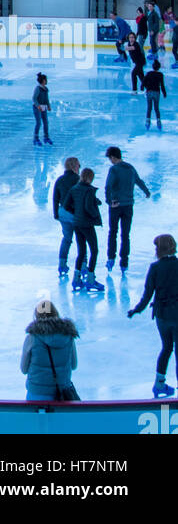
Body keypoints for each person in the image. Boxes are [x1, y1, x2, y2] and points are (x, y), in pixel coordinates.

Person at [128, 233, 178, 398]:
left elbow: (148, 294)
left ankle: (159, 383)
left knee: (166, 348)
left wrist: (137, 309)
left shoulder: (155, 268)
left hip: (162, 316)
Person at [19, 300, 80, 402]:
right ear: (56, 313)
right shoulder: (69, 335)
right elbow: (74, 365)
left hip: (37, 393)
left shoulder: (31, 338)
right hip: (62, 392)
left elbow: (24, 369)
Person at [104, 145, 151, 271]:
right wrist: (146, 192)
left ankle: (111, 258)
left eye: (110, 158)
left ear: (113, 157)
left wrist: (109, 201)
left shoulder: (114, 169)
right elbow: (139, 181)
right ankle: (124, 261)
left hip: (116, 205)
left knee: (113, 232)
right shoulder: (130, 168)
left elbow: (108, 186)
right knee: (125, 234)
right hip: (128, 206)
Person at [62, 166, 104, 292]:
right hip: (87, 224)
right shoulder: (89, 190)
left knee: (81, 252)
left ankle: (76, 279)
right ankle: (90, 279)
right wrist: (95, 215)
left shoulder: (74, 188)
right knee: (94, 250)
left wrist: (76, 212)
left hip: (76, 223)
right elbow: (88, 206)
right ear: (90, 178)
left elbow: (65, 205)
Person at [52, 156, 81, 276]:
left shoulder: (60, 180)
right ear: (74, 166)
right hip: (76, 214)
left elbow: (55, 197)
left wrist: (56, 213)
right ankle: (83, 266)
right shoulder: (79, 179)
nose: (79, 168)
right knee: (81, 240)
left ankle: (62, 264)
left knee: (66, 239)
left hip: (63, 213)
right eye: (79, 166)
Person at [143, 60, 167, 131]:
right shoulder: (160, 75)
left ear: (152, 66)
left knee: (149, 108)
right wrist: (164, 93)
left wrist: (144, 87)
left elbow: (143, 82)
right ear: (159, 67)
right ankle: (158, 121)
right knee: (156, 108)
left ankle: (147, 121)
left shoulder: (149, 73)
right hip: (156, 92)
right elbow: (162, 85)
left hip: (149, 92)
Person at [32, 72, 53, 146]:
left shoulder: (46, 89)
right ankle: (35, 138)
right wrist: (38, 106)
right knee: (38, 123)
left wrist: (48, 106)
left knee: (46, 123)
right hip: (37, 108)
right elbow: (34, 98)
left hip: (44, 107)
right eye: (46, 79)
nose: (46, 81)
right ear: (43, 80)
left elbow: (46, 99)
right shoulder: (38, 88)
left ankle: (46, 137)